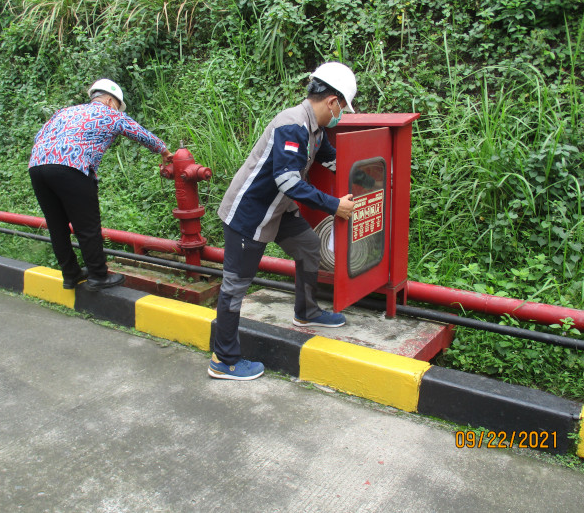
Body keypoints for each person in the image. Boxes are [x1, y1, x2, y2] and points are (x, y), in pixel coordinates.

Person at [209, 62, 357, 381]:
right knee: (235, 287)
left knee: (308, 246)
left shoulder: (315, 130)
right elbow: (288, 181)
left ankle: (306, 313)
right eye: (342, 107)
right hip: (249, 215)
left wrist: (363, 176)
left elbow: (332, 161)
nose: (341, 114)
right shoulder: (293, 125)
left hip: (278, 210)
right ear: (332, 102)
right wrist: (334, 206)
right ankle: (224, 359)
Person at [28, 79, 173, 291]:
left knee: (57, 225)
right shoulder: (111, 114)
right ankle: (98, 276)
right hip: (71, 166)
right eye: (116, 103)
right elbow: (140, 133)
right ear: (109, 99)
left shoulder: (63, 112)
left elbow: (38, 136)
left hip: (38, 167)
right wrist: (164, 151)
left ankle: (70, 275)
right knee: (87, 226)